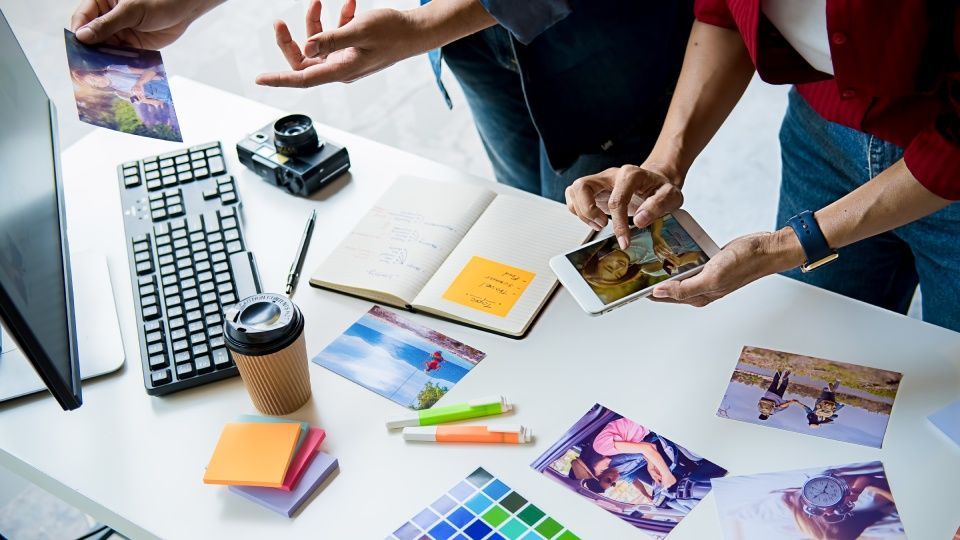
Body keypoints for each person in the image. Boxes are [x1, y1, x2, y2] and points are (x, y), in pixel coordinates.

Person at [564, 1, 960, 333]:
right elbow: (724, 15)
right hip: (822, 139)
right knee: (815, 342)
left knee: (949, 379)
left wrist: (780, 247)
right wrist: (664, 163)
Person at [69, 0, 693, 202]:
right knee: (524, 208)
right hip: (468, 34)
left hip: (606, 37)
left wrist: (425, 29)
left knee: (599, 231)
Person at [71, 66, 171, 108]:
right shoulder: (119, 94)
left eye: (93, 80)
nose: (96, 83)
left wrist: (139, 83)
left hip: (165, 84)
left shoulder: (113, 70)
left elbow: (151, 71)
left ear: (93, 74)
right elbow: (157, 102)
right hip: (167, 99)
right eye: (93, 84)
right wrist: (145, 100)